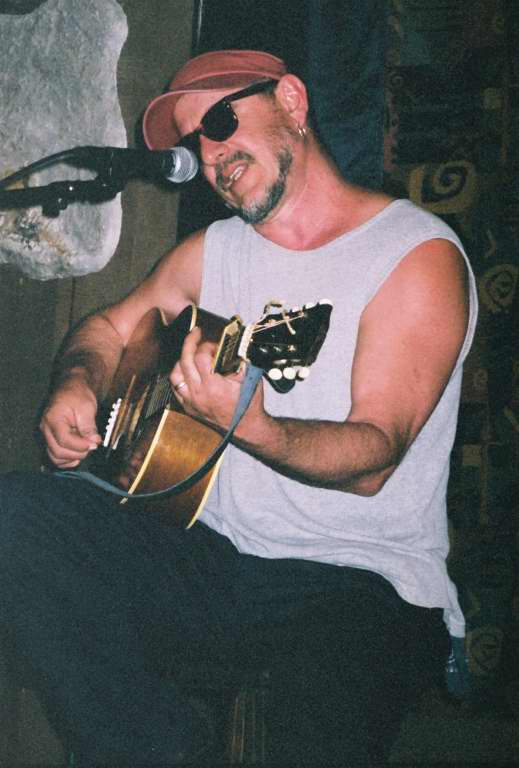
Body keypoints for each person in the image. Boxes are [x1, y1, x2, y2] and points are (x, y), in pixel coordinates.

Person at [0, 49, 477, 766]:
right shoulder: (216, 250)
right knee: (19, 519)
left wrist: (253, 427)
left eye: (221, 120)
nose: (211, 153)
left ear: (292, 101)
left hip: (361, 581)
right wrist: (77, 383)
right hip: (217, 558)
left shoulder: (413, 254)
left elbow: (376, 454)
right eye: (195, 141)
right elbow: (107, 331)